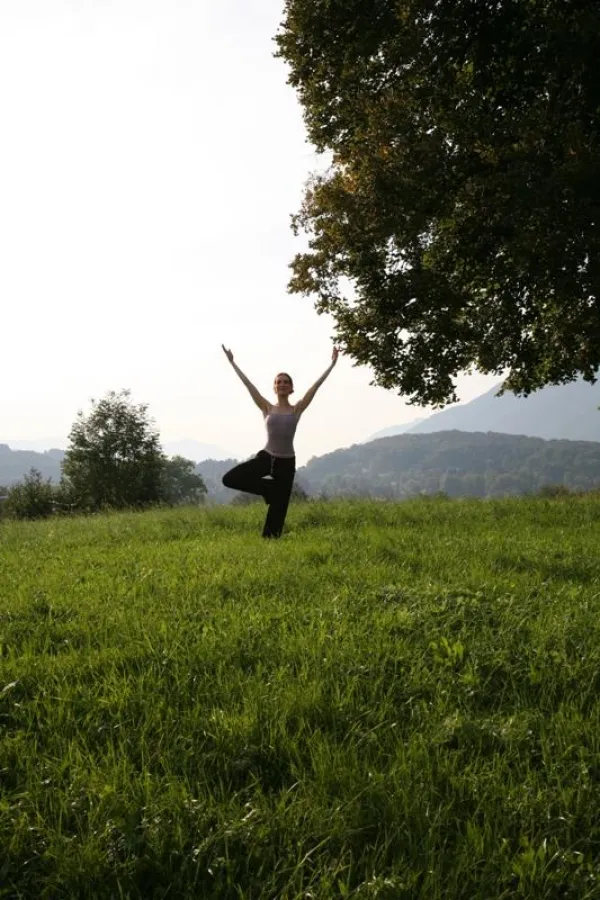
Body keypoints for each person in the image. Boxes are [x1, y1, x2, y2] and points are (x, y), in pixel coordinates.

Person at [221, 344, 339, 538]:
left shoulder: (297, 409)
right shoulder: (266, 407)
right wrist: (232, 363)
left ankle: (270, 540)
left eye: (286, 382)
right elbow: (248, 385)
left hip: (287, 462)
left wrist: (332, 365)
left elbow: (315, 387)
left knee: (280, 507)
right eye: (279, 382)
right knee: (230, 479)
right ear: (275, 387)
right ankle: (269, 490)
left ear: (291, 388)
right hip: (266, 457)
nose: (282, 384)